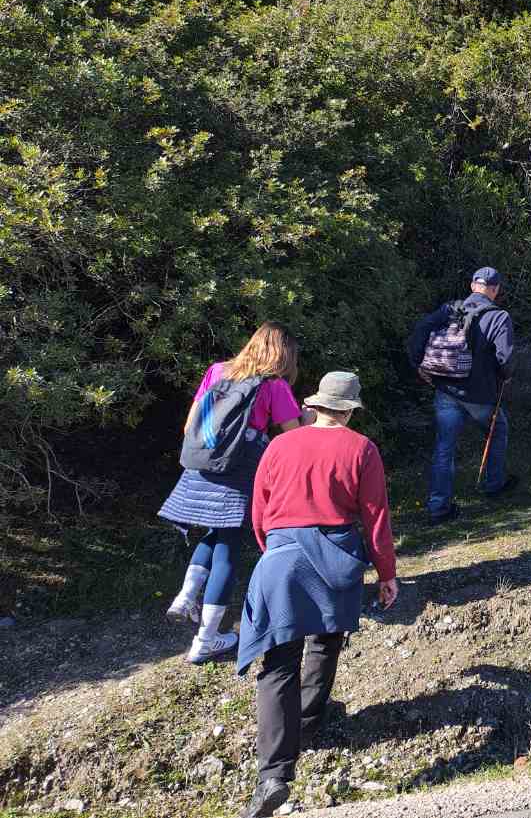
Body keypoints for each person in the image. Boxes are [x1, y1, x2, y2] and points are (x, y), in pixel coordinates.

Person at [236, 371, 397, 818]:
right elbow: (376, 516)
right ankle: (307, 725)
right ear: (350, 411)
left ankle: (273, 775)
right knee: (325, 642)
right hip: (336, 559)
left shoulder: (279, 445)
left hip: (282, 558)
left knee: (277, 665)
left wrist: (275, 552)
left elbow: (259, 512)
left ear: (315, 406)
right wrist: (386, 573)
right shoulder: (362, 449)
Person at [158, 323, 304, 665]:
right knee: (228, 549)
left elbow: (190, 424)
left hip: (201, 465)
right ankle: (206, 640)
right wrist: (307, 418)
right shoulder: (275, 385)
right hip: (239, 471)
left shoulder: (218, 371)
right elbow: (293, 437)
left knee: (213, 532)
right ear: (285, 353)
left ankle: (186, 595)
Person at [408, 266, 518, 527]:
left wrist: (418, 364)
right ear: (495, 290)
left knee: (444, 447)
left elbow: (421, 329)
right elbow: (506, 358)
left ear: (472, 286)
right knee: (498, 430)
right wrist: (505, 376)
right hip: (480, 394)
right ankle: (494, 485)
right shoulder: (499, 317)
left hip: (446, 390)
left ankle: (438, 507)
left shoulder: (449, 309)